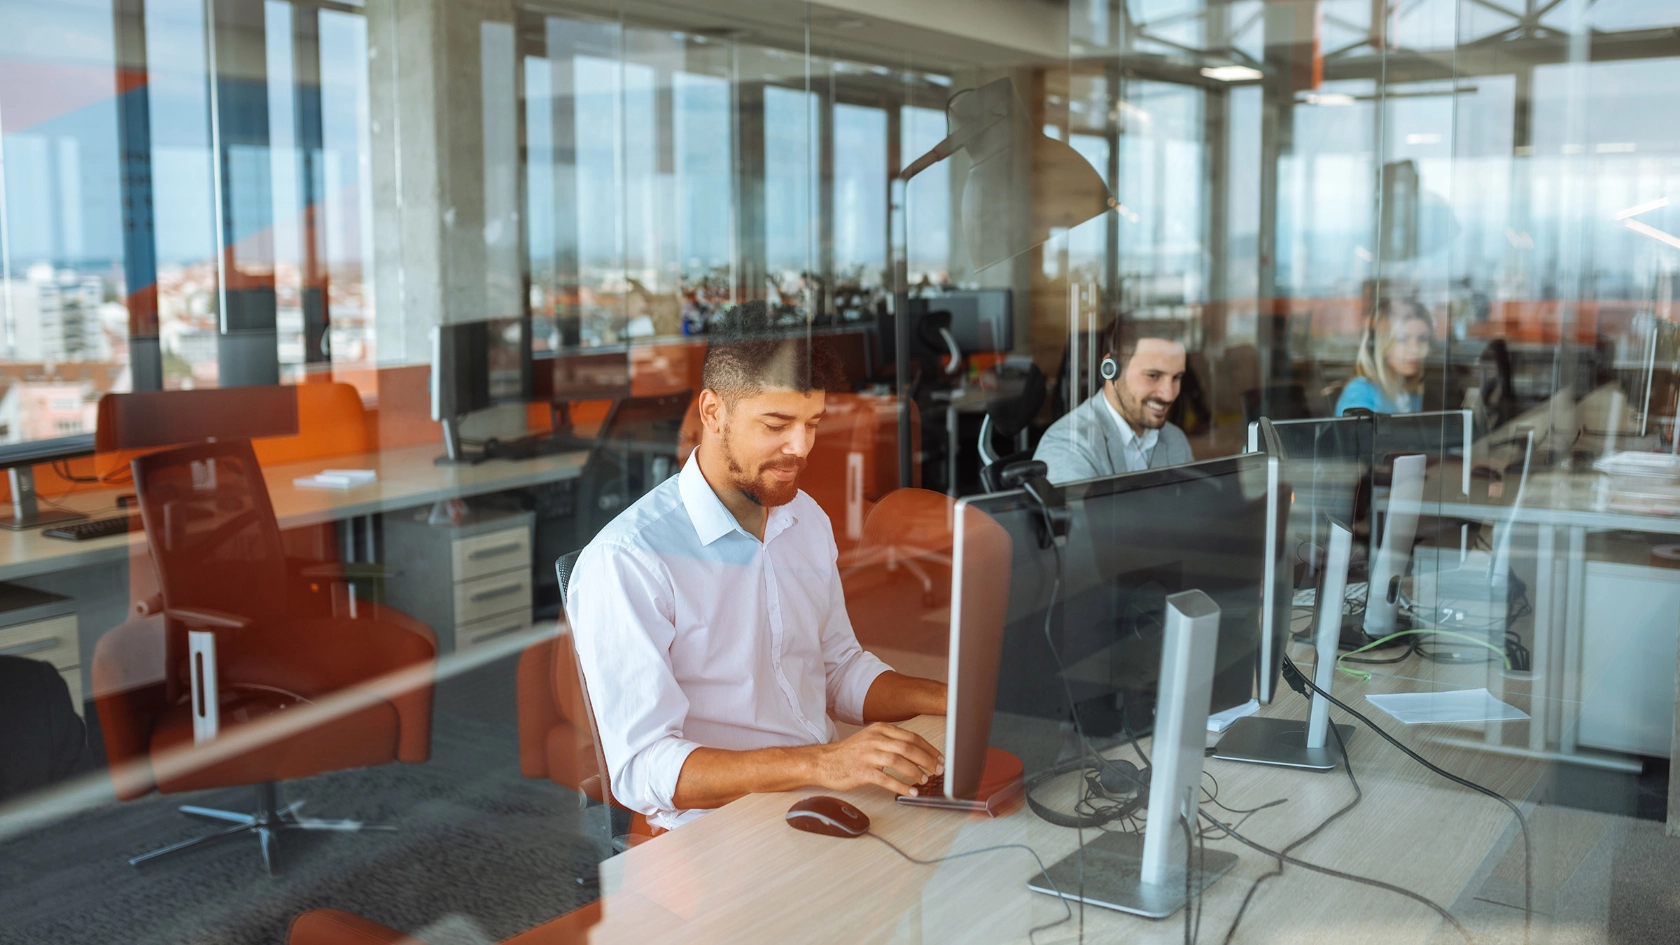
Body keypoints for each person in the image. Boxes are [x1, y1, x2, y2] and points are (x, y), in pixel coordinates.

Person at [567, 301, 948, 832]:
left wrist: (951, 697)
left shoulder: (804, 518)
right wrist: (822, 762)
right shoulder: (629, 559)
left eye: (813, 423)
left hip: (821, 796)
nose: (802, 447)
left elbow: (837, 668)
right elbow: (642, 768)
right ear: (713, 411)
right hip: (716, 830)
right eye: (777, 424)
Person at [1033, 315, 1194, 484]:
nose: (1168, 394)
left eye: (1176, 378)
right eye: (1153, 376)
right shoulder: (1068, 445)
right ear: (1111, 369)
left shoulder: (1174, 439)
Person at [1335, 299, 1432, 416]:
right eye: (1402, 339)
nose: (1415, 349)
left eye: (1422, 339)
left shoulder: (1409, 389)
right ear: (1381, 343)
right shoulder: (1360, 393)